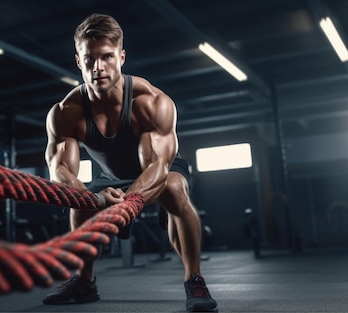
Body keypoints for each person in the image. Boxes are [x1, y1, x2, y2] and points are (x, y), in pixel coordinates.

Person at [42, 13, 217, 312]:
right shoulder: (65, 112)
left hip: (159, 170)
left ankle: (194, 279)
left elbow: (158, 166)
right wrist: (94, 199)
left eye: (107, 57)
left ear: (121, 57)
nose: (98, 67)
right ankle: (85, 282)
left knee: (174, 189)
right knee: (77, 203)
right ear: (77, 61)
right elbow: (60, 171)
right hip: (110, 177)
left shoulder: (151, 102)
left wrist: (128, 205)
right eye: (89, 59)